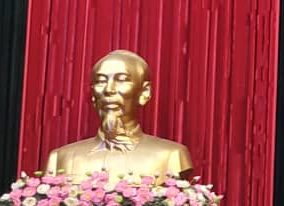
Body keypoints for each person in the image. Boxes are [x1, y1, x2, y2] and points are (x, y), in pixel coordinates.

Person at [43, 50, 193, 179]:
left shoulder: (171, 156)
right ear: (93, 95)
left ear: (144, 92)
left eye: (121, 80)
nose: (109, 89)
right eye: (100, 81)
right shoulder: (60, 158)